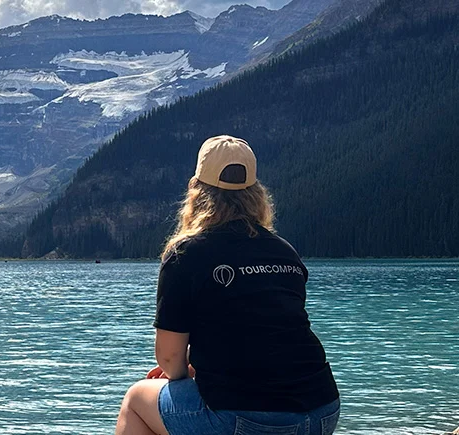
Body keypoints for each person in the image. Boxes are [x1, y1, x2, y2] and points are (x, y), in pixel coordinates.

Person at [115, 136, 340, 435]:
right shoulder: (284, 251)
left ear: (196, 190)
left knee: (136, 399)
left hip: (246, 419)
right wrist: (198, 366)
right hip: (322, 409)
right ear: (256, 193)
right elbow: (266, 333)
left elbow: (169, 357)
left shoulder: (186, 253)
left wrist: (180, 377)